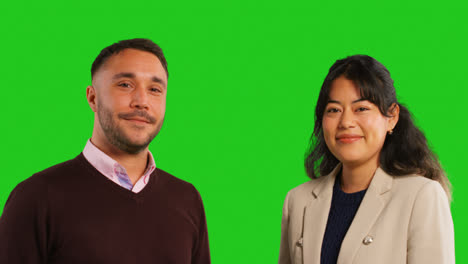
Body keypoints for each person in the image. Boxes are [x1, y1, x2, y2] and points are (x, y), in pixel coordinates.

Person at [0, 38, 210, 264]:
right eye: (125, 85)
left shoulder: (187, 199)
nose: (142, 101)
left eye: (155, 89)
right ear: (92, 97)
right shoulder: (36, 198)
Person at [278, 55, 454, 264]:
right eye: (334, 110)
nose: (346, 122)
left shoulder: (422, 196)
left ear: (392, 117)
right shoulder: (298, 200)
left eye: (361, 108)